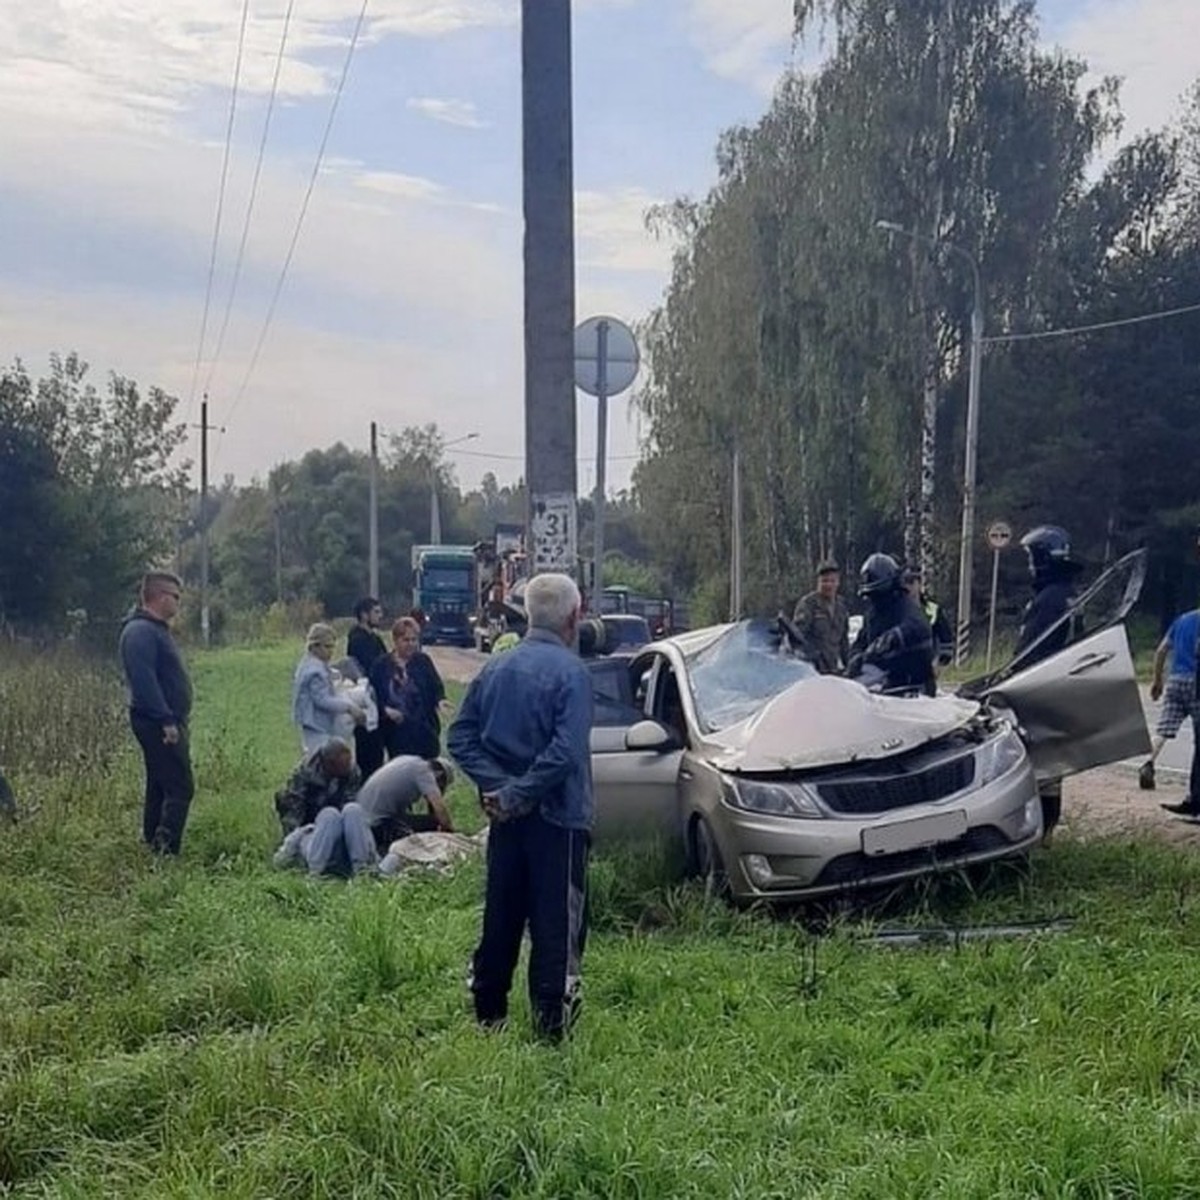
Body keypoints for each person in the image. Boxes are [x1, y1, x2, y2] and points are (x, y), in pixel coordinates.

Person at [448, 572, 593, 1043]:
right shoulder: (572, 674)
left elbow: (460, 737)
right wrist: (519, 793)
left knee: (503, 912)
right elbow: (566, 751)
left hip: (505, 820)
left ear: (528, 616)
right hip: (560, 818)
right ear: (575, 616)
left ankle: (489, 1016)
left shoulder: (495, 668)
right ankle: (552, 1031)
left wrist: (500, 789)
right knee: (558, 922)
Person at [1013, 525, 1084, 836]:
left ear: (1042, 559)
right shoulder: (1069, 594)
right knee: (1051, 770)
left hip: (1041, 691)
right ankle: (1048, 831)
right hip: (1061, 689)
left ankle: (1040, 832)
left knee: (1038, 768)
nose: (1029, 564)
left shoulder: (1051, 599)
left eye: (1031, 557)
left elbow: (1030, 652)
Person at [118, 571, 195, 855]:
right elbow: (144, 682)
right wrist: (166, 720)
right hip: (157, 722)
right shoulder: (140, 632)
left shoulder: (154, 630)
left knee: (160, 783)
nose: (177, 603)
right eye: (175, 597)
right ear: (160, 596)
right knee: (180, 786)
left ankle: (152, 841)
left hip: (164, 720)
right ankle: (166, 849)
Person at [272, 738, 374, 875]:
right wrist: (291, 842)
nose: (347, 769)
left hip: (339, 826)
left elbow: (351, 802)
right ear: (328, 764)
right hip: (312, 831)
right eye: (342, 767)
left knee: (353, 809)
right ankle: (316, 871)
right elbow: (293, 811)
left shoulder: (352, 771)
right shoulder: (304, 774)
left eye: (348, 764)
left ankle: (362, 870)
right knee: (329, 814)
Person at [1140, 606, 1200, 813]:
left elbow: (1161, 650)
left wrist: (1157, 680)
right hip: (1196, 680)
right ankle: (1195, 796)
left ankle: (1148, 761)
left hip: (1175, 679)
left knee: (1163, 728)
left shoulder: (1182, 620)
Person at [846, 553, 934, 693]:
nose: (876, 599)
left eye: (879, 593)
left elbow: (919, 627)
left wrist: (892, 638)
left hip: (912, 688)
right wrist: (855, 658)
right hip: (881, 685)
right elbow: (860, 642)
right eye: (871, 595)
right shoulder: (872, 615)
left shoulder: (905, 606)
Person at [369, 616, 450, 762]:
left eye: (414, 640)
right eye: (406, 640)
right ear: (395, 640)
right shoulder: (381, 665)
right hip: (396, 732)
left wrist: (440, 700)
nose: (411, 644)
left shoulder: (423, 661)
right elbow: (372, 696)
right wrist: (385, 710)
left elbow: (435, 686)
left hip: (424, 729)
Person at [356, 754, 455, 853]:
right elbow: (441, 811)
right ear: (440, 775)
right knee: (433, 823)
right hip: (377, 824)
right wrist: (451, 834)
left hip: (361, 821)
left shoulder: (408, 761)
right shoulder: (424, 772)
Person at [292, 623, 365, 755]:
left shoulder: (310, 664)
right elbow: (322, 700)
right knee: (320, 758)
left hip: (315, 721)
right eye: (327, 647)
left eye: (332, 647)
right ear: (314, 646)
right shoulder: (315, 671)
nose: (331, 651)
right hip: (317, 723)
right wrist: (349, 707)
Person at [347, 597, 388, 778]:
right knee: (368, 752)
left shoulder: (375, 639)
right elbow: (371, 667)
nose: (381, 616)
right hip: (364, 699)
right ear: (364, 615)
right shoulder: (357, 639)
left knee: (378, 752)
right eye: (376, 612)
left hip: (378, 698)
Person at [792, 562, 851, 674]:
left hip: (832, 668)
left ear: (838, 582)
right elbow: (798, 637)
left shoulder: (841, 606)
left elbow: (844, 641)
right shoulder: (808, 604)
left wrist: (849, 665)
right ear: (818, 582)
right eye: (824, 581)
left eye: (832, 581)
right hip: (811, 670)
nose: (828, 585)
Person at [903, 566, 954, 670]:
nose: (907, 586)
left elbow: (947, 643)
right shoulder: (895, 611)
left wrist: (939, 664)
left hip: (926, 673)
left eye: (911, 581)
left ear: (919, 583)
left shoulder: (933, 609)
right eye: (904, 582)